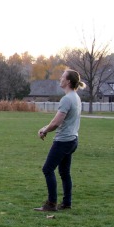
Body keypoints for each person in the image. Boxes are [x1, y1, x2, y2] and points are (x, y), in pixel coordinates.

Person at [34, 69, 85, 212]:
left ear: (68, 81)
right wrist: (46, 127)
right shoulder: (75, 97)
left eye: (62, 77)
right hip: (72, 139)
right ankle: (67, 203)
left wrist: (44, 130)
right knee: (64, 172)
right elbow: (59, 121)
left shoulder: (67, 99)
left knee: (47, 169)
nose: (60, 79)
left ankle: (51, 204)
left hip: (63, 141)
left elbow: (57, 122)